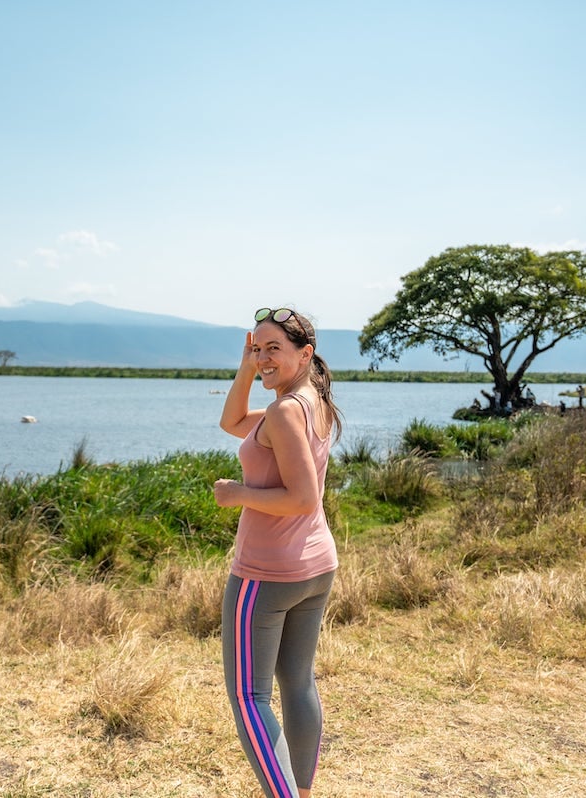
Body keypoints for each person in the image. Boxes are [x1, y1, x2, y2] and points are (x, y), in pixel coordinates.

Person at [213, 307, 343, 798]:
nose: (264, 358)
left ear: (304, 353)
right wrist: (249, 368)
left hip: (267, 573)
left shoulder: (287, 410)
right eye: (257, 347)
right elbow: (231, 422)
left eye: (275, 350)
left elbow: (302, 498)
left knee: (249, 696)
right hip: (314, 567)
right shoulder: (311, 400)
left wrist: (237, 493)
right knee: (296, 681)